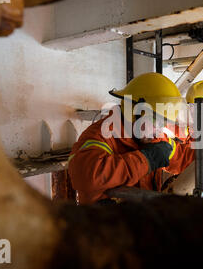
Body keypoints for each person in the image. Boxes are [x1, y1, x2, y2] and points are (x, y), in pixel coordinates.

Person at [68, 73, 194, 204]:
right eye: (156, 121)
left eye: (163, 123)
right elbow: (87, 178)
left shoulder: (152, 136)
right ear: (135, 112)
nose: (159, 130)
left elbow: (183, 157)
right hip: (105, 222)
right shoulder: (100, 135)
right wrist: (146, 160)